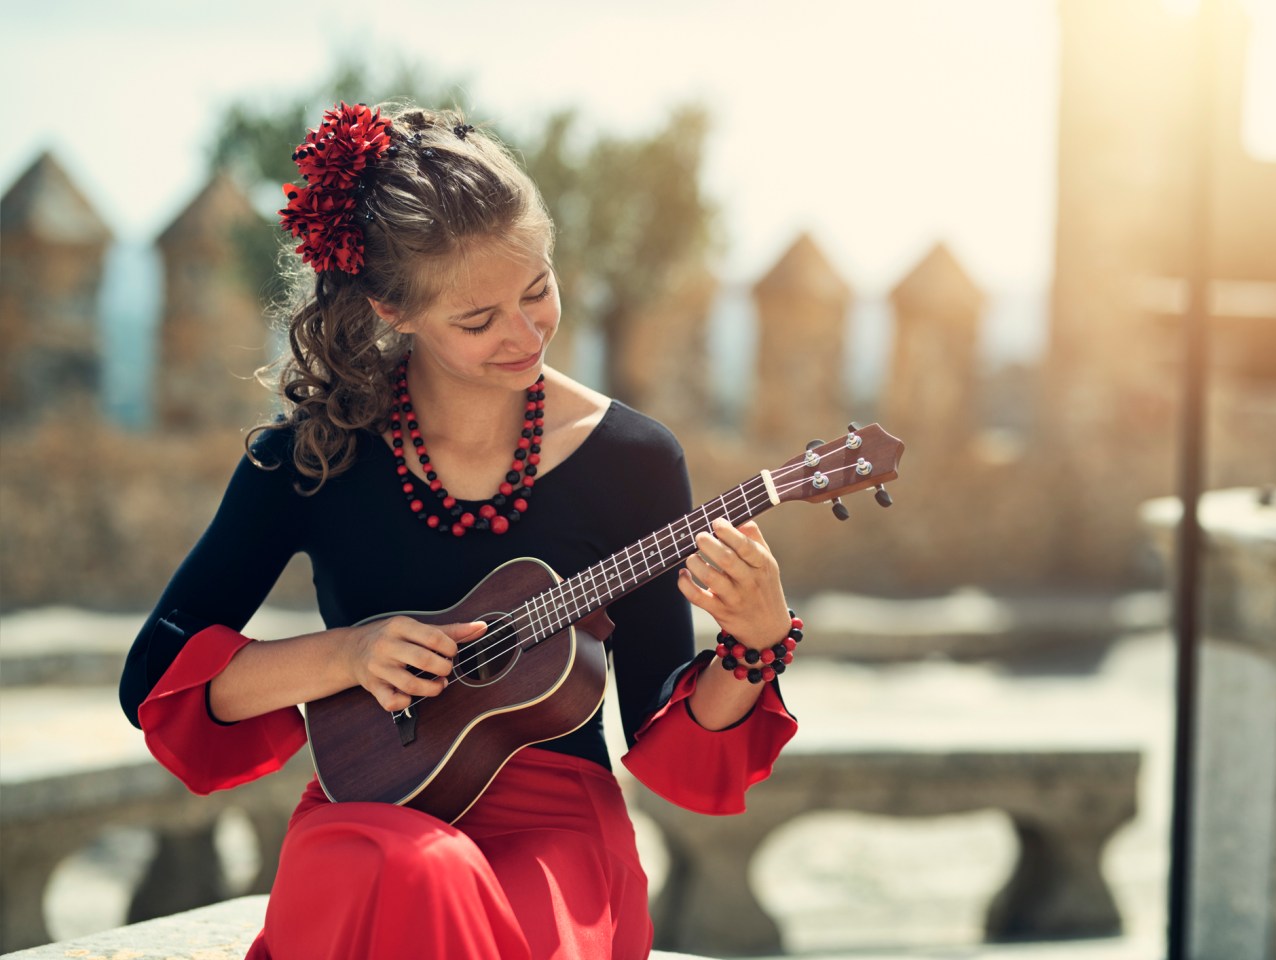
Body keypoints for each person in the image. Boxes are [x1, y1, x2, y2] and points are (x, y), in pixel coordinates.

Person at [118, 101, 801, 960]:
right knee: (416, 872)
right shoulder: (313, 454)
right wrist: (347, 656)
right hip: (373, 816)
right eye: (477, 321)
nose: (525, 334)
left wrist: (754, 643)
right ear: (392, 310)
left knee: (447, 896)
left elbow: (667, 744)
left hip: (554, 833)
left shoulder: (631, 459)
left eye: (538, 289)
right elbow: (156, 679)